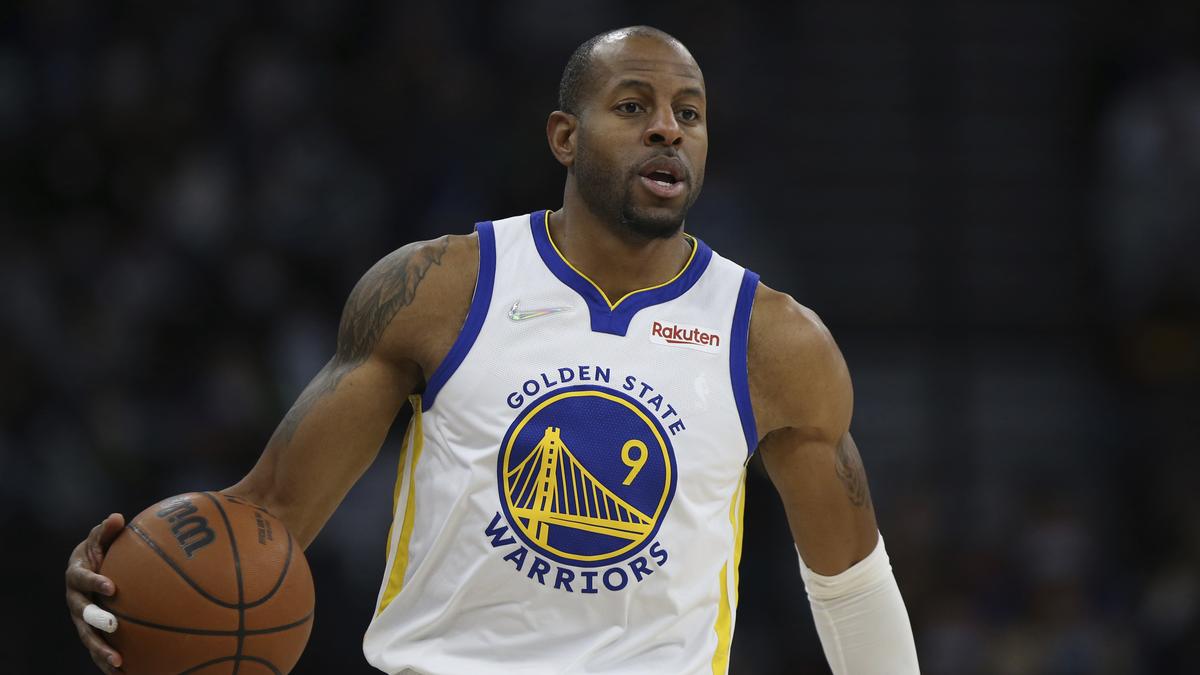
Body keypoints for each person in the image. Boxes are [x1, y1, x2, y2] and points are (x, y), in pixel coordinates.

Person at [65, 25, 920, 674]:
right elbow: (267, 515)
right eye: (633, 107)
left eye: (688, 114)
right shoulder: (439, 287)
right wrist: (123, 589)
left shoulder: (772, 338)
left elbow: (850, 584)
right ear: (565, 136)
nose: (668, 129)